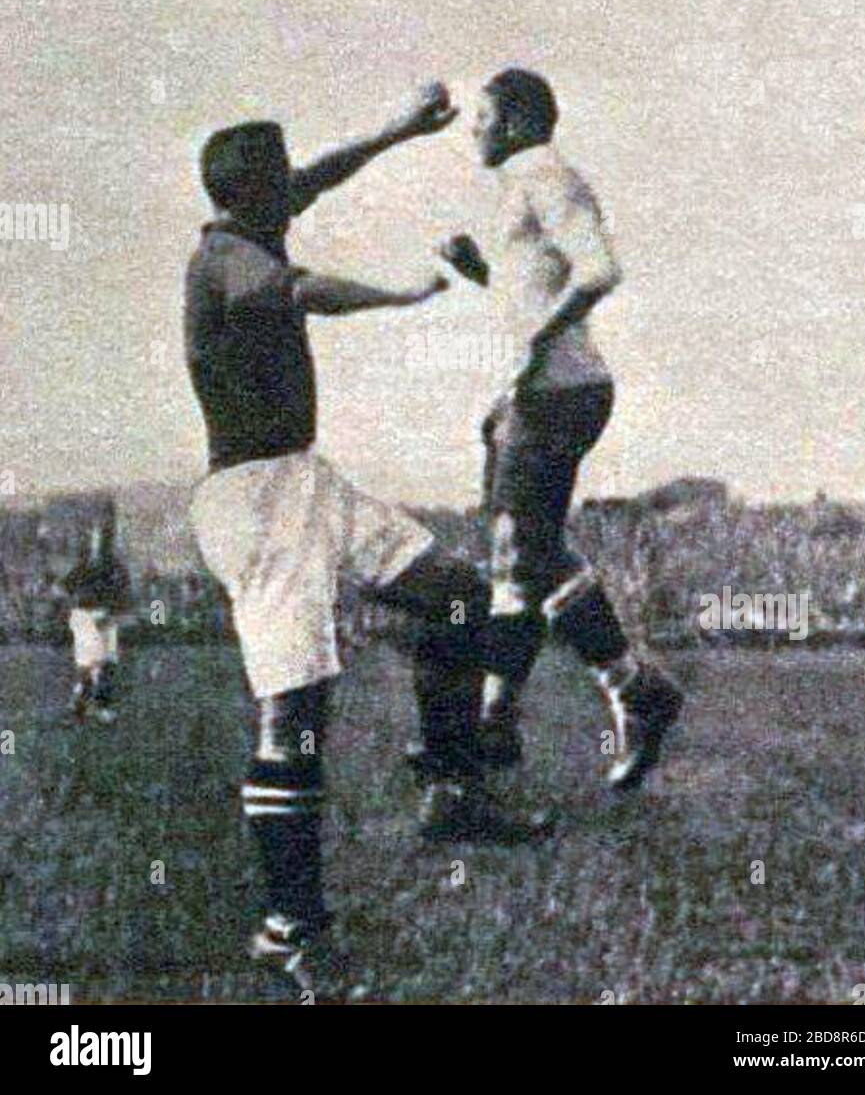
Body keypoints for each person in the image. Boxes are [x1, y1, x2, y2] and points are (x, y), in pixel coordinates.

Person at [184, 90, 548, 992]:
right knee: (296, 713)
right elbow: (305, 294)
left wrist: (395, 128)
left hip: (306, 480)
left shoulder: (249, 223)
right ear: (259, 193)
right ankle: (289, 929)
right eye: (288, 179)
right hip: (257, 501)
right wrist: (415, 289)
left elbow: (325, 172)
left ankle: (451, 786)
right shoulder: (226, 261)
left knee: (458, 596)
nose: (301, 187)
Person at [438, 68, 683, 787]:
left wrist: (536, 342)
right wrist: (481, 273)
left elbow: (601, 270)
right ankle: (514, 716)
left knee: (523, 551)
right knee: (525, 556)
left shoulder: (548, 175)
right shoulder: (522, 184)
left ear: (514, 120)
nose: (471, 129)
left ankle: (622, 693)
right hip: (537, 391)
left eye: (480, 116)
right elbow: (538, 289)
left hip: (561, 391)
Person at [63, 512, 132, 725]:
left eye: (103, 538)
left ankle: (94, 706)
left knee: (106, 664)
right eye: (95, 537)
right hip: (86, 617)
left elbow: (123, 592)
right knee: (90, 665)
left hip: (106, 617)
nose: (98, 542)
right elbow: (65, 588)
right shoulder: (84, 567)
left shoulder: (114, 567)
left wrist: (115, 613)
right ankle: (81, 706)